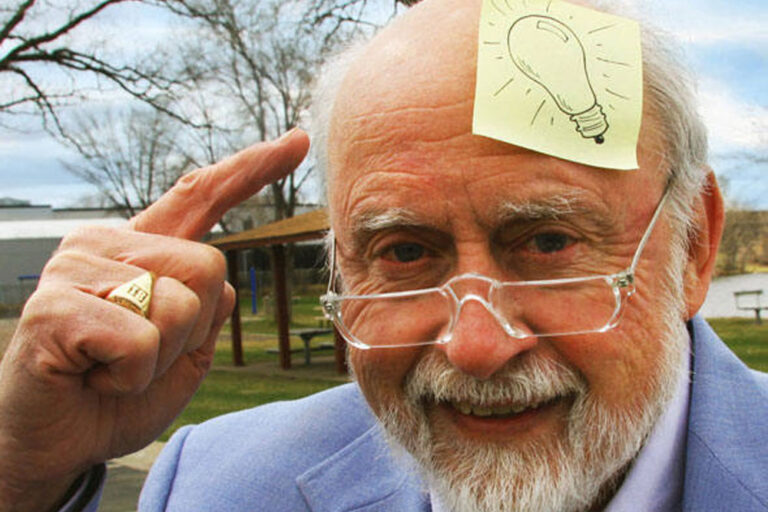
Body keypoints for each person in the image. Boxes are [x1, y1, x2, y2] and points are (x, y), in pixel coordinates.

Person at [0, 0, 766, 511]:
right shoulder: (217, 484)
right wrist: (25, 473)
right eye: (404, 250)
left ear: (694, 248)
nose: (475, 347)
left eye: (547, 242)